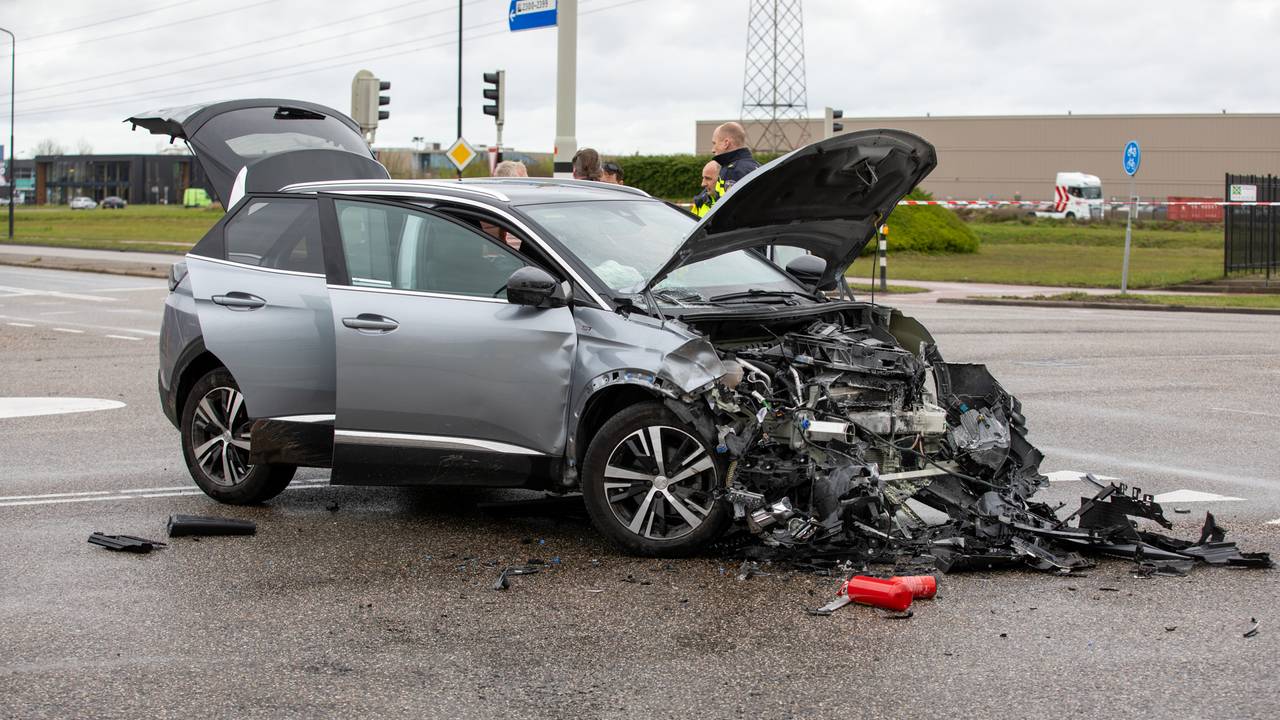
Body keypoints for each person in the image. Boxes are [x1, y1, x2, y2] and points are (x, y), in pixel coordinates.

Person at [709, 121, 760, 200]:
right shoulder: (757, 165)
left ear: (726, 143)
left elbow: (730, 209)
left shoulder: (733, 171)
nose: (713, 150)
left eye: (714, 143)